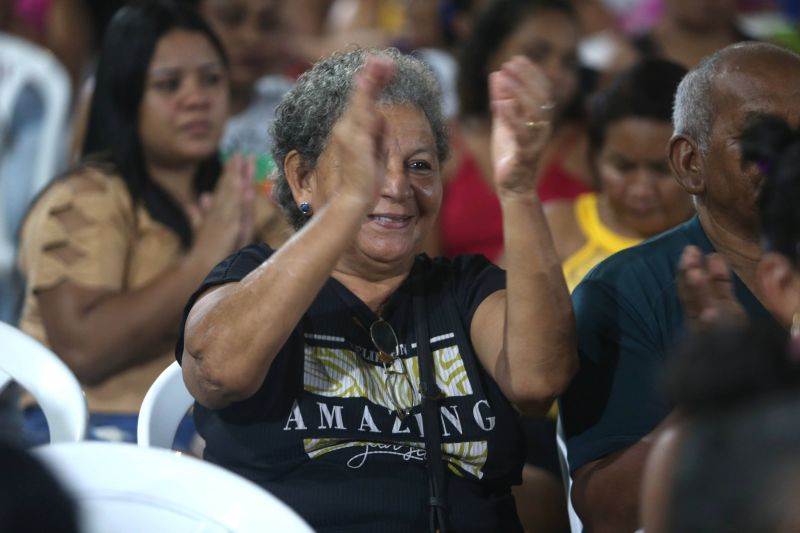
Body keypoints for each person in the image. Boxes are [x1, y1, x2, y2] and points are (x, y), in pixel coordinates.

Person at [177, 47, 577, 531]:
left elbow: (540, 381)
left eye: (420, 165)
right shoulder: (251, 276)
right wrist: (347, 206)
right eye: (368, 162)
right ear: (302, 178)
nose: (397, 186)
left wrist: (518, 189)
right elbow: (219, 372)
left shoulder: (465, 289)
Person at [557, 41, 800, 533]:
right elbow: (607, 513)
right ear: (690, 162)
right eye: (763, 138)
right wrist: (721, 381)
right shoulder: (621, 293)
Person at [17, 0, 280, 445]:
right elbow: (81, 350)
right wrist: (202, 264)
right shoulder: (86, 198)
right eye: (169, 84)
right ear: (126, 95)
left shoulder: (239, 201)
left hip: (211, 437)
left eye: (211, 79)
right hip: (85, 432)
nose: (197, 97)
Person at [546, 57, 693, 291]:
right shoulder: (554, 227)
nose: (642, 190)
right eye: (623, 168)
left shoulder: (722, 242)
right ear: (595, 158)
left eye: (663, 170)